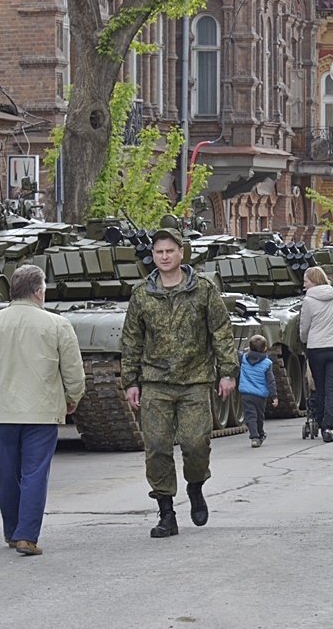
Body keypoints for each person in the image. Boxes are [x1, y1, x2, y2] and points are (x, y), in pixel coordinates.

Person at [122, 227, 239, 539]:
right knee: (157, 447)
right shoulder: (142, 294)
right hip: (155, 382)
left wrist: (228, 371)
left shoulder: (202, 289)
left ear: (181, 253)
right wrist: (130, 381)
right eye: (159, 252)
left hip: (195, 380)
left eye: (169, 251)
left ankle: (196, 486)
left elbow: (221, 331)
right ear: (153, 255)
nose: (164, 256)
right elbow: (131, 340)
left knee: (195, 444)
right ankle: (166, 513)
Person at [0, 264, 85, 557]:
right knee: (35, 473)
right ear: (38, 291)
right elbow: (73, 371)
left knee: (5, 474)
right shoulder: (57, 324)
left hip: (2, 411)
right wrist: (73, 397)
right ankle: (27, 536)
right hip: (42, 412)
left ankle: (12, 529)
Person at [299, 266, 333, 443]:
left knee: (320, 387)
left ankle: (320, 420)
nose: (304, 284)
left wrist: (307, 339)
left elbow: (304, 327)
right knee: (332, 387)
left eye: (305, 281)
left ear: (314, 281)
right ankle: (329, 427)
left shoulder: (308, 301)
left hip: (316, 349)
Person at [239, 334, 279, 448]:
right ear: (265, 348)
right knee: (259, 416)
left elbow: (235, 353)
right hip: (260, 396)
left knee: (250, 416)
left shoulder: (243, 359)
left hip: (246, 393)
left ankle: (254, 437)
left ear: (249, 348)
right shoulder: (267, 363)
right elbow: (271, 381)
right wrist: (274, 396)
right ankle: (260, 434)